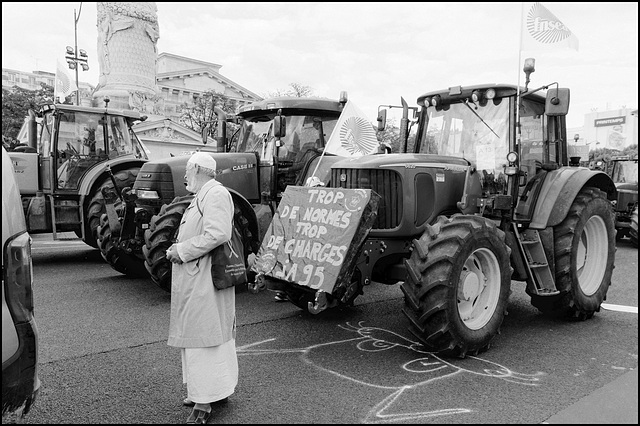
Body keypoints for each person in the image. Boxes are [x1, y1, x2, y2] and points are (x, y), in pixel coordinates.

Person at [165, 152, 238, 424]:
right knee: (205, 338)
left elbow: (218, 233)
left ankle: (204, 401)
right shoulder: (205, 194)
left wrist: (181, 250)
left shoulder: (215, 194)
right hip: (200, 278)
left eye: (187, 170)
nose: (184, 176)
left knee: (204, 339)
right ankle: (210, 392)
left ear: (197, 169)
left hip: (205, 280)